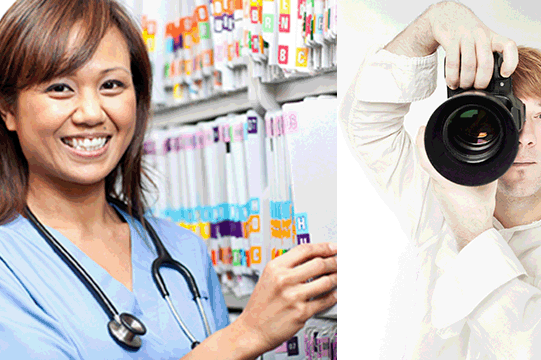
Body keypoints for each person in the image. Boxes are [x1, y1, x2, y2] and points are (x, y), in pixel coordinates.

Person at [0, 0, 336, 358]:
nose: (91, 113)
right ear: (7, 110)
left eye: (111, 84)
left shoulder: (183, 251)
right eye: (60, 88)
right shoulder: (9, 263)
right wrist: (245, 335)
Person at [340, 1, 541, 358]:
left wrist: (474, 234)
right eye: (511, 114)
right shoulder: (441, 196)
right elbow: (366, 124)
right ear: (476, 126)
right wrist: (433, 23)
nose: (525, 135)